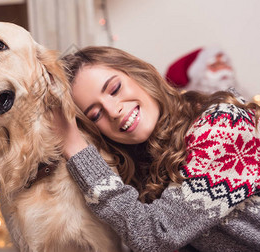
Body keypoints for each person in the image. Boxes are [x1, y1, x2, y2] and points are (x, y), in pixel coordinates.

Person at [54, 46, 260, 252]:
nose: (113, 111)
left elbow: (155, 237)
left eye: (115, 89)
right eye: (96, 114)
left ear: (140, 74)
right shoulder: (144, 167)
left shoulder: (223, 124)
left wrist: (76, 148)